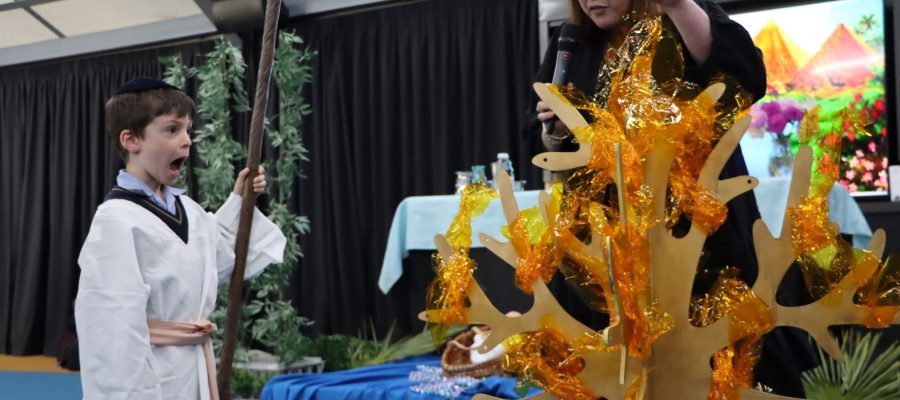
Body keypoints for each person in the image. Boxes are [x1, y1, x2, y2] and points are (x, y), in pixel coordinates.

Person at [522, 0, 815, 396]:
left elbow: (744, 77)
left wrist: (677, 5)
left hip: (695, 240)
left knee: (714, 363)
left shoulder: (681, 19)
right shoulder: (572, 41)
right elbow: (539, 136)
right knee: (610, 371)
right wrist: (552, 132)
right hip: (605, 248)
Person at [75, 77, 287, 400]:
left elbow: (218, 262)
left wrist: (240, 202)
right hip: (155, 379)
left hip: (194, 370)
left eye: (188, 129)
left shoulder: (188, 210)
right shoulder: (116, 221)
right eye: (172, 129)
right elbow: (113, 335)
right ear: (131, 139)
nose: (187, 141)